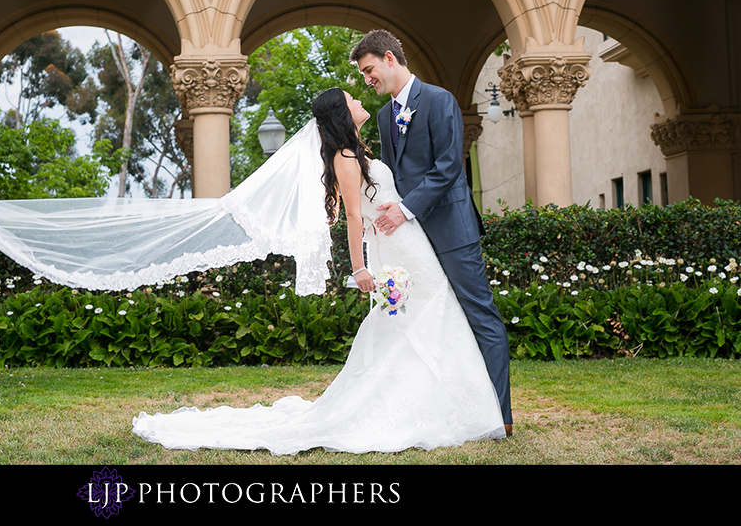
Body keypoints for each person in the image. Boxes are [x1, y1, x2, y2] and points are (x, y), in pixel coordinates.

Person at [130, 88, 506, 454]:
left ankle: (442, 400)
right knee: (425, 312)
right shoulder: (344, 156)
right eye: (351, 100)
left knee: (430, 313)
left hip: (407, 241)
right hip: (398, 247)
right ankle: (437, 405)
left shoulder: (357, 150)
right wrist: (359, 267)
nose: (360, 100)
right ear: (343, 113)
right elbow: (355, 215)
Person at [349, 30, 513, 434]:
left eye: (370, 70)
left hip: (452, 227)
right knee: (426, 319)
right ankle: (447, 408)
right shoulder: (386, 116)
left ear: (390, 58)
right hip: (412, 242)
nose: (368, 80)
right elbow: (391, 178)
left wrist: (404, 210)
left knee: (479, 314)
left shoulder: (440, 100)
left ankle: (500, 416)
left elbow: (448, 166)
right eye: (363, 75)